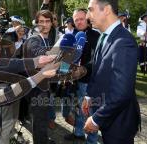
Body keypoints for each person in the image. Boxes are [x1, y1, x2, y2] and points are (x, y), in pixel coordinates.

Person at [82, 0, 140, 144]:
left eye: (91, 10)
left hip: (119, 123)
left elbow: (122, 93)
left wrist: (96, 119)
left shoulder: (123, 42)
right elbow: (98, 69)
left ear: (106, 9)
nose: (88, 16)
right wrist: (88, 95)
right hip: (109, 117)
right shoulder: (104, 35)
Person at [64, 8, 100, 144]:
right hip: (74, 80)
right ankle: (79, 133)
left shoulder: (95, 36)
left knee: (89, 112)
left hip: (88, 81)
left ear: (88, 18)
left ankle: (92, 140)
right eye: (76, 19)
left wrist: (83, 69)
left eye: (81, 19)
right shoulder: (72, 36)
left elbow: (96, 60)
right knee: (78, 109)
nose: (78, 22)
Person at [23, 10, 56, 144]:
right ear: (36, 24)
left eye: (47, 21)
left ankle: (43, 139)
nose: (44, 24)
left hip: (44, 86)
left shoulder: (48, 39)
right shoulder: (34, 40)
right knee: (40, 121)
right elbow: (40, 53)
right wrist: (61, 51)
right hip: (36, 89)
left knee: (42, 119)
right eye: (41, 21)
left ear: (52, 23)